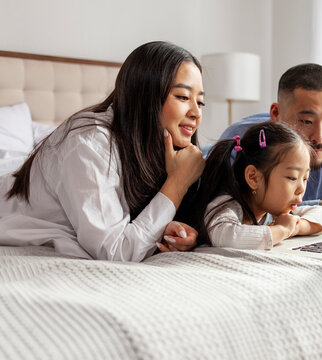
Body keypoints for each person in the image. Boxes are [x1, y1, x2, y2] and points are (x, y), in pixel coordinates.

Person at [0, 41, 205, 261]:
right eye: (183, 97)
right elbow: (114, 251)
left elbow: (124, 217)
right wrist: (177, 183)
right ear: (146, 96)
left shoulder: (158, 149)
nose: (195, 112)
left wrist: (166, 228)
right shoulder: (87, 144)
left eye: (200, 102)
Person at [219, 63, 322, 229]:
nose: (319, 136)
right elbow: (224, 216)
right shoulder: (242, 142)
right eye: (307, 121)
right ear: (276, 114)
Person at [172, 121, 322, 250]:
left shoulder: (274, 209)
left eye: (304, 178)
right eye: (292, 178)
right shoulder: (226, 204)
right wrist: (281, 231)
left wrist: (296, 227)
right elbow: (226, 236)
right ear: (253, 177)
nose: (301, 189)